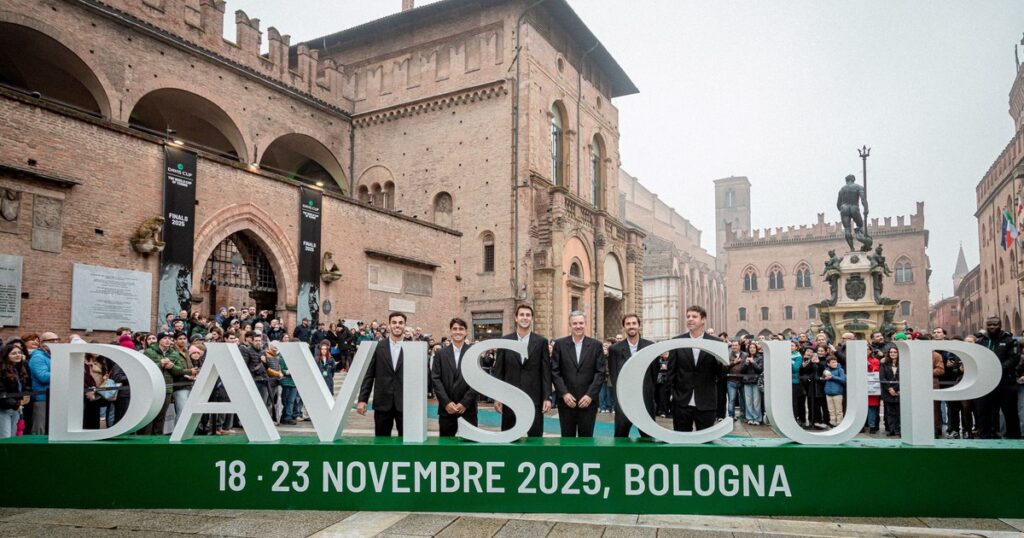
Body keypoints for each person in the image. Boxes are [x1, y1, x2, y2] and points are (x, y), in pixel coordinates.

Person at [492, 304, 552, 438]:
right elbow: (499, 371)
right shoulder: (505, 341)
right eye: (522, 315)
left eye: (528, 315)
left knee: (535, 439)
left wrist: (547, 397)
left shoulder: (541, 342)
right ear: (516, 318)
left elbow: (546, 372)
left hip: (534, 399)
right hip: (510, 399)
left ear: (532, 319)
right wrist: (497, 397)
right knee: (509, 439)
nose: (525, 318)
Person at [550, 311, 607, 438]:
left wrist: (590, 395)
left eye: (581, 323)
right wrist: (564, 393)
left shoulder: (596, 345)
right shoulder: (560, 345)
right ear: (570, 325)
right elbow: (555, 371)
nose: (578, 326)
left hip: (588, 403)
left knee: (586, 440)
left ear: (585, 324)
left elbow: (600, 372)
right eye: (575, 323)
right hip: (566, 403)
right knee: (567, 440)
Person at [667, 306, 720, 432]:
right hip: (681, 403)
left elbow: (721, 373)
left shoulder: (716, 343)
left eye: (694, 316)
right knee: (681, 440)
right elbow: (671, 372)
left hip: (706, 403)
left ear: (703, 320)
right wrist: (673, 395)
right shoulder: (677, 341)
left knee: (706, 440)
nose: (690, 319)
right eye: (688, 316)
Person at [357, 312, 409, 437]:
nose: (397, 325)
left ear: (405, 325)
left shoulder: (413, 347)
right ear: (389, 325)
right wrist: (362, 399)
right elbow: (369, 375)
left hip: (406, 404)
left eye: (401, 323)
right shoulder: (378, 347)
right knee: (381, 442)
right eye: (394, 322)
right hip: (382, 403)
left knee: (407, 442)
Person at [607, 313, 656, 438]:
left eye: (634, 323)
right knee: (620, 437)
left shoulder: (650, 346)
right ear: (624, 327)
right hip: (624, 401)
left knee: (648, 438)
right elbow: (614, 376)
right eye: (628, 324)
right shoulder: (614, 349)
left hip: (645, 400)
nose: (631, 326)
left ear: (639, 325)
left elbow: (653, 374)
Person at [974, 317, 1020, 439]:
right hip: (986, 382)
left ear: (1000, 325)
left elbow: (1014, 358)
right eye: (989, 325)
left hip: (1006, 382)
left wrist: (997, 368)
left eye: (995, 324)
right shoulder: (980, 341)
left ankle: (1014, 438)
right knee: (984, 411)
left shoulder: (1009, 340)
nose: (992, 327)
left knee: (1010, 412)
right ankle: (985, 436)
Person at [430, 318, 478, 437]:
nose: (458, 332)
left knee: (469, 446)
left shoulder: (473, 353)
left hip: (468, 409)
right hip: (446, 410)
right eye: (455, 329)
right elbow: (435, 379)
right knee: (446, 447)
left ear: (466, 332)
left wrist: (464, 403)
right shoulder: (440, 354)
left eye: (461, 329)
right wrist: (446, 402)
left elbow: (477, 380)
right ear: (450, 332)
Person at [140, 332, 183, 435]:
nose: (168, 340)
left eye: (169, 338)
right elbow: (145, 368)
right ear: (159, 340)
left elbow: (179, 371)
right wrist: (160, 364)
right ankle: (145, 438)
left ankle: (158, 438)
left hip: (167, 388)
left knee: (161, 416)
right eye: (165, 338)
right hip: (152, 388)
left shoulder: (174, 353)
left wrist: (172, 366)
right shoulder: (149, 352)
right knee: (149, 415)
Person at [28, 332, 59, 435]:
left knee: (51, 429)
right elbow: (43, 377)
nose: (55, 342)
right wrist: (62, 373)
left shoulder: (52, 356)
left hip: (53, 397)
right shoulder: (38, 357)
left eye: (56, 340)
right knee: (39, 428)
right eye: (51, 341)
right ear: (42, 343)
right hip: (41, 397)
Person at [0, 341, 30, 438]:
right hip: (4, 408)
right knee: (5, 436)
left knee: (15, 437)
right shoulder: (2, 371)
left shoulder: (19, 368)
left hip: (17, 408)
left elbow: (24, 386)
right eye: (13, 353)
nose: (18, 355)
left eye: (19, 352)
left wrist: (26, 395)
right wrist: (15, 404)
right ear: (6, 356)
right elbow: (1, 392)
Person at [739, 341, 764, 425]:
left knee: (756, 401)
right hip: (747, 381)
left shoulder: (760, 357)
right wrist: (746, 363)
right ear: (748, 349)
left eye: (753, 348)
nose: (752, 349)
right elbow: (741, 370)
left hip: (756, 381)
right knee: (748, 401)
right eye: (750, 348)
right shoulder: (745, 357)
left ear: (756, 349)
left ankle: (757, 419)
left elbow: (760, 370)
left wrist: (753, 362)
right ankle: (749, 418)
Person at [880, 346, 901, 436]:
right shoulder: (884, 364)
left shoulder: (903, 363)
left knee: (899, 412)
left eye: (895, 352)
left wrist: (896, 389)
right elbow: (882, 378)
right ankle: (892, 430)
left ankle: (899, 430)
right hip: (887, 392)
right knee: (890, 412)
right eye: (891, 352)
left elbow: (904, 377)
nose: (893, 354)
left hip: (900, 391)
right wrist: (890, 389)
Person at [822, 356, 846, 427]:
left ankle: (839, 424)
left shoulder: (840, 370)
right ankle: (832, 423)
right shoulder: (826, 370)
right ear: (828, 364)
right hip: (828, 393)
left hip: (837, 393)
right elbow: (823, 379)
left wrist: (832, 377)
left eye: (835, 362)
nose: (835, 363)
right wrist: (824, 378)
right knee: (831, 410)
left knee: (838, 410)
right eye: (833, 362)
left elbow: (843, 380)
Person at [725, 341, 745, 421]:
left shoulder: (745, 355)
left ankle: (743, 415)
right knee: (732, 399)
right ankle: (731, 416)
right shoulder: (728, 355)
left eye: (736, 345)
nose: (734, 347)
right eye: (733, 345)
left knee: (743, 399)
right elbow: (725, 366)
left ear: (739, 346)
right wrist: (734, 362)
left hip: (742, 380)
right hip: (731, 380)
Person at [866, 348, 882, 434]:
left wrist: (869, 365)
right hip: (860, 387)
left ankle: (873, 426)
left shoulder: (875, 360)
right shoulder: (856, 360)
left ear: (870, 351)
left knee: (873, 407)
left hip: (872, 387)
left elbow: (876, 372)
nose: (866, 351)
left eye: (867, 349)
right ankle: (863, 426)